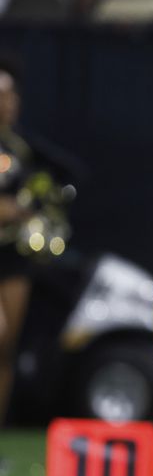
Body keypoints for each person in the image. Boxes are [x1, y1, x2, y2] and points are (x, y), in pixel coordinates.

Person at [0, 64, 32, 428]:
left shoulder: (18, 146)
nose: (9, 103)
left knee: (6, 348)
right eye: (2, 96)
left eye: (12, 96)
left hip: (13, 253)